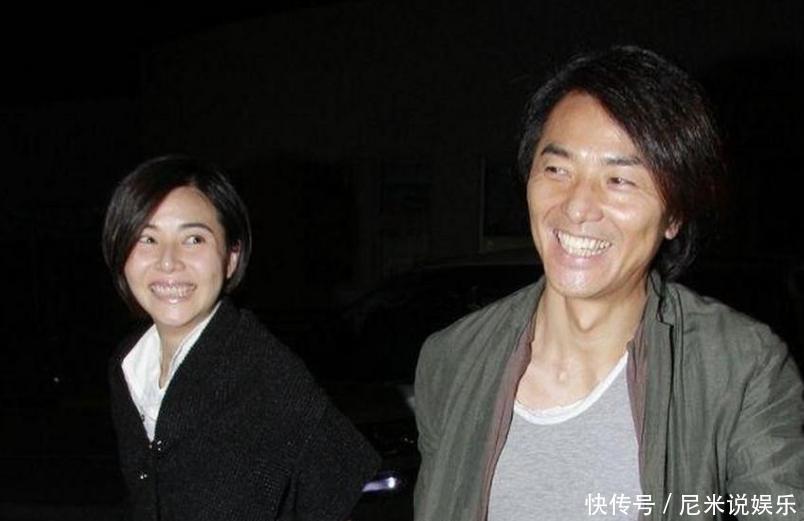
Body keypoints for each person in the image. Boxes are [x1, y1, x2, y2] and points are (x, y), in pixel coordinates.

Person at [413, 46, 804, 521]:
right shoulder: (451, 361)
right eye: (557, 170)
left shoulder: (740, 367)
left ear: (674, 215)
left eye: (619, 180)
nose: (577, 207)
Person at [102, 155, 380, 521]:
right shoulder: (130, 367)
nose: (168, 261)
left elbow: (346, 487)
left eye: (193, 239)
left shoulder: (267, 376)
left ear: (231, 256)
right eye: (147, 238)